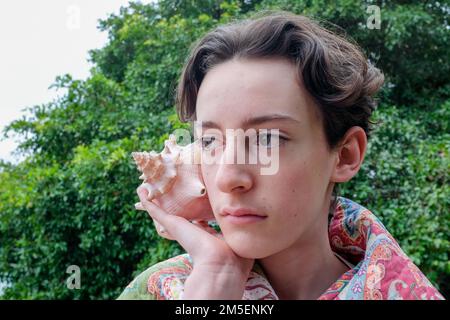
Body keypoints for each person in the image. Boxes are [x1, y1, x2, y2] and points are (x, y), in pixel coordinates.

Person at [117, 11, 444, 300]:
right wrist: (216, 282)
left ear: (344, 155)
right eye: (210, 141)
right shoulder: (157, 290)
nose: (228, 178)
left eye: (267, 138)